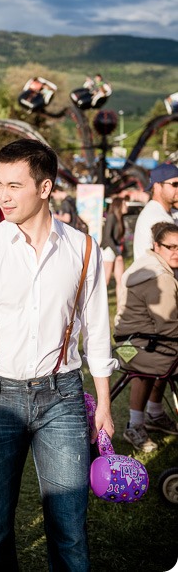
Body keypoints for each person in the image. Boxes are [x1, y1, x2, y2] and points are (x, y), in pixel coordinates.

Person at [0, 138, 117, 572]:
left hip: (64, 397)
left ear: (45, 188)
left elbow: (97, 330)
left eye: (15, 185)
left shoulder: (83, 249)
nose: (3, 195)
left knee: (70, 527)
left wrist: (105, 404)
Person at [114, 222, 178, 452]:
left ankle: (150, 417)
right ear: (156, 245)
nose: (176, 252)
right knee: (167, 360)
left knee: (156, 364)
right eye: (170, 247)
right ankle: (140, 422)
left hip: (126, 345)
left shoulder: (145, 264)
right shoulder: (161, 277)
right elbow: (169, 328)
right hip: (136, 347)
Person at [131, 162, 178, 435]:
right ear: (157, 186)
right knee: (148, 364)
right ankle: (135, 424)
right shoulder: (155, 217)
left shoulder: (165, 214)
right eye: (174, 184)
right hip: (152, 302)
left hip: (162, 299)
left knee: (168, 359)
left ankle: (154, 413)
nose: (177, 189)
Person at [133, 162, 178, 260]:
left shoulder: (162, 211)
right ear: (157, 186)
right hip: (157, 274)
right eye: (175, 184)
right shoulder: (158, 217)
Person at [100, 197, 128, 306]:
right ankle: (98, 305)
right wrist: (118, 254)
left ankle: (120, 306)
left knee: (121, 279)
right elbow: (107, 237)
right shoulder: (111, 217)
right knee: (105, 280)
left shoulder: (120, 218)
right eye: (125, 204)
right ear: (119, 205)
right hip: (108, 250)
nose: (127, 206)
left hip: (115, 250)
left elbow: (118, 239)